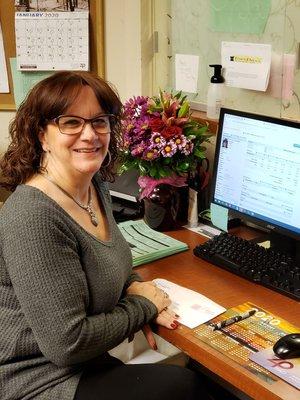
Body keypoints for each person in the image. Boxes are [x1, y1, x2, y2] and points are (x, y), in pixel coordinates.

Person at [0, 71, 214, 400]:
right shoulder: (33, 215)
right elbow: (68, 344)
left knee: (198, 376)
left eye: (100, 121)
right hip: (38, 377)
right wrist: (143, 306)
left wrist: (133, 284)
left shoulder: (93, 185)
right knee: (186, 388)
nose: (90, 135)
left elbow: (110, 261)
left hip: (90, 361)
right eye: (71, 122)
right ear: (42, 134)